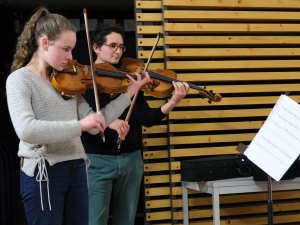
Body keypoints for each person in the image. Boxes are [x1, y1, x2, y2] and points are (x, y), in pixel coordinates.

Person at [6, 8, 150, 225]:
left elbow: (95, 124)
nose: (71, 57)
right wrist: (79, 125)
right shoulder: (20, 80)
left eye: (72, 49)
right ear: (45, 43)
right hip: (44, 172)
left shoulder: (65, 81)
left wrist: (129, 93)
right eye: (65, 49)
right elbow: (27, 130)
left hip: (76, 168)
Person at [81, 24, 189, 225]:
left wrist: (172, 102)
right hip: (96, 160)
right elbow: (82, 118)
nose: (118, 51)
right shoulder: (83, 80)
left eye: (121, 47)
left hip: (131, 159)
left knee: (127, 221)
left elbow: (145, 118)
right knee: (95, 220)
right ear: (96, 48)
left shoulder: (129, 79)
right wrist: (109, 120)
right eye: (113, 45)